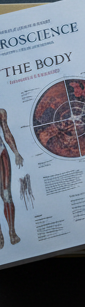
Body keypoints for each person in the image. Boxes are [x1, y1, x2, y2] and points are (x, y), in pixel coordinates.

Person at [0, 107, 23, 249]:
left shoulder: (0, 113)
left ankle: (12, 231)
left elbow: (6, 132)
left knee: (6, 195)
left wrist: (16, 152)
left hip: (1, 156)